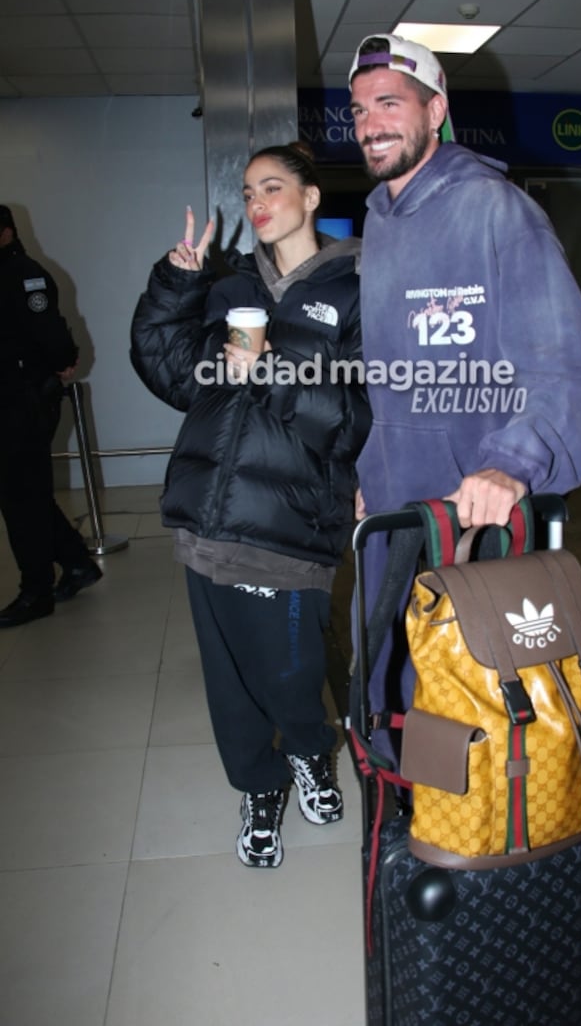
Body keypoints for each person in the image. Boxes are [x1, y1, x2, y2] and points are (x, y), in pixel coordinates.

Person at [347, 33, 581, 717]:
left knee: (473, 686)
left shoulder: (495, 209)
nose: (370, 123)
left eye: (389, 103)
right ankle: (402, 799)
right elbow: (387, 378)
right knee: (388, 666)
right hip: (397, 508)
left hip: (472, 510)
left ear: (435, 111)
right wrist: (369, 472)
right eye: (359, 109)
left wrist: (512, 462)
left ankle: (472, 817)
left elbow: (561, 356)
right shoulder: (378, 225)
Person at [130, 143, 370, 868]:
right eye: (247, 190)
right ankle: (257, 786)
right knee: (229, 679)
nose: (257, 201)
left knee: (291, 672)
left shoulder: (360, 288)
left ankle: (306, 750)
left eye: (273, 186)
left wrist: (268, 371)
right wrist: (176, 283)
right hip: (206, 516)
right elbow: (174, 374)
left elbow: (355, 417)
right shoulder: (230, 285)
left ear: (310, 197)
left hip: (288, 522)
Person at [0, 205, 102, 629]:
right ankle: (77, 564)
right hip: (11, 400)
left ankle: (36, 590)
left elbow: (51, 333)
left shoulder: (24, 273)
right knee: (24, 492)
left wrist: (62, 362)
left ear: (4, 232)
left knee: (20, 496)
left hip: (21, 402)